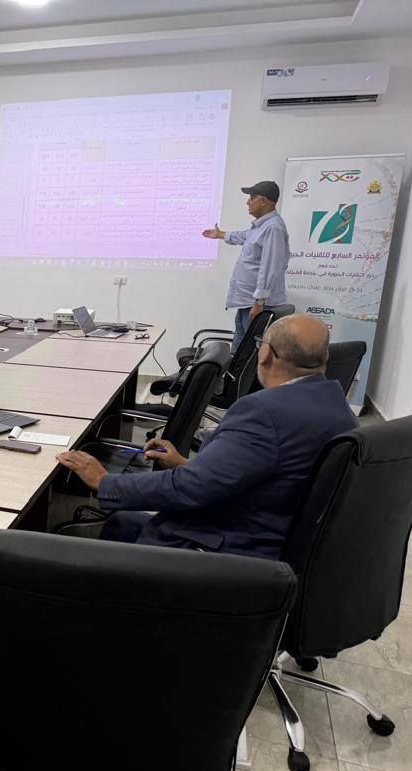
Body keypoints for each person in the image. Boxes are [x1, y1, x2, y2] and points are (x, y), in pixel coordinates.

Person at [56, 315, 357, 560]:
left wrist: (105, 482)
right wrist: (188, 464)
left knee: (113, 533)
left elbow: (189, 489)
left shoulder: (263, 411)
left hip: (229, 551)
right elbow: (266, 470)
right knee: (123, 523)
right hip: (275, 536)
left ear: (265, 353)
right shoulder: (337, 406)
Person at [202, 181, 291, 353]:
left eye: (252, 198)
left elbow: (271, 266)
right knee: (240, 353)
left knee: (251, 355)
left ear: (263, 201)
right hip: (247, 303)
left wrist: (259, 301)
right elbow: (244, 236)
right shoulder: (261, 226)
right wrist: (221, 235)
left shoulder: (273, 228)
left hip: (259, 305)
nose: (248, 202)